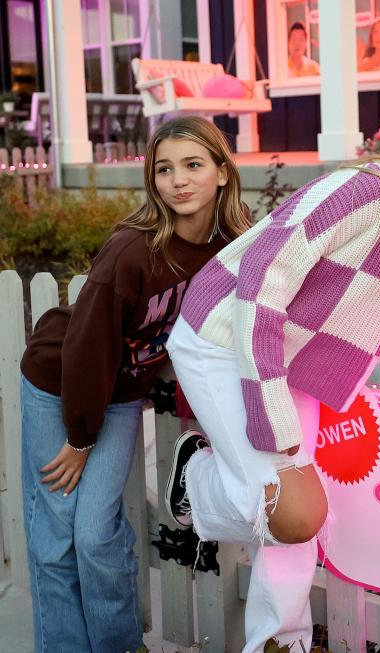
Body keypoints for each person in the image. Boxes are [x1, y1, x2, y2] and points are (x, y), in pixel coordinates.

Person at [163, 67, 380, 653]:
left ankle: (277, 644)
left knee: (298, 516)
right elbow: (265, 275)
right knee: (295, 512)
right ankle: (199, 479)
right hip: (225, 337)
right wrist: (269, 410)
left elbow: (361, 275)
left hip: (295, 354)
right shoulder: (365, 188)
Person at [19, 116, 250, 653]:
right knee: (56, 535)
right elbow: (85, 349)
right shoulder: (133, 251)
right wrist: (79, 439)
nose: (178, 180)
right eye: (164, 169)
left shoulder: (232, 248)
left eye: (193, 165)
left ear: (221, 171)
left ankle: (118, 643)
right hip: (59, 386)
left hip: (118, 396)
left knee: (96, 534)